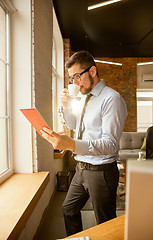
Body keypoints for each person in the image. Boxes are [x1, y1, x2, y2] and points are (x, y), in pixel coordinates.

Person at [41, 51, 128, 236]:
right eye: (71, 78)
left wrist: (71, 144)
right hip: (81, 168)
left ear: (93, 71)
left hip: (102, 171)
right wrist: (65, 106)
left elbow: (110, 144)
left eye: (77, 76)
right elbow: (73, 125)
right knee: (68, 209)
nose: (74, 83)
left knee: (105, 223)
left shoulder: (111, 99)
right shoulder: (82, 97)